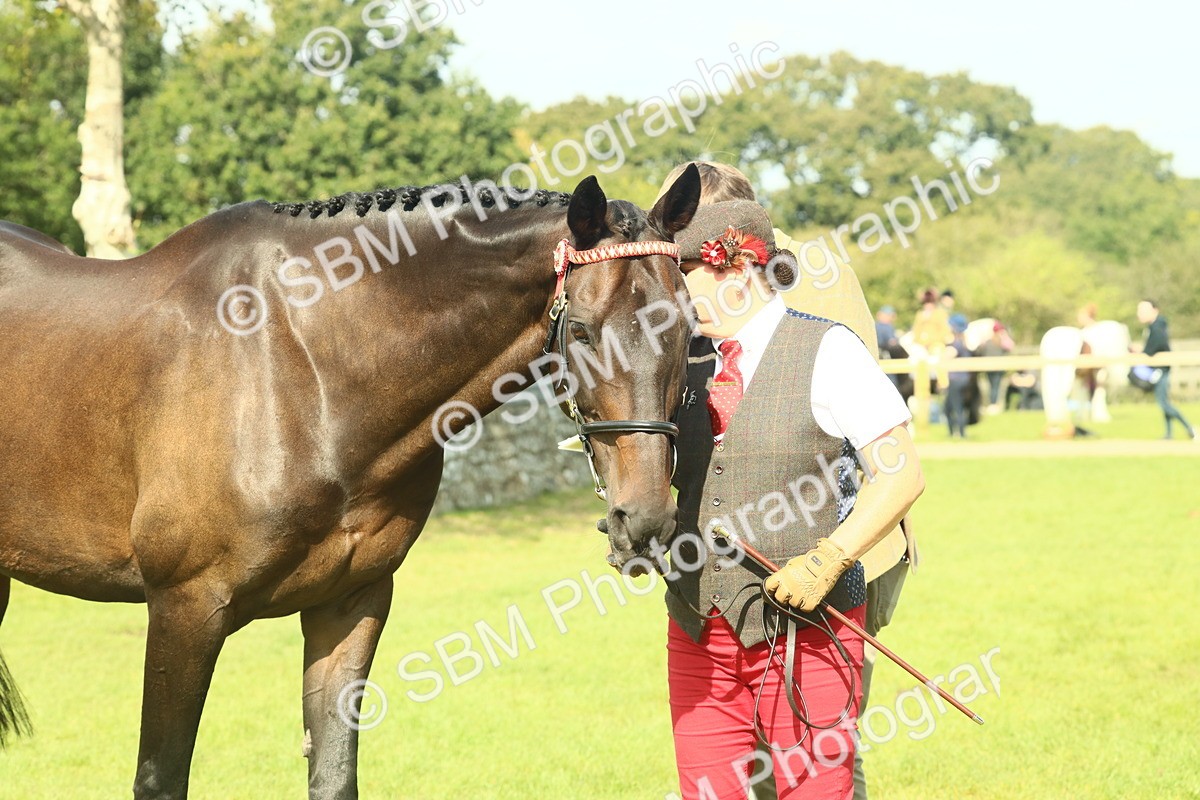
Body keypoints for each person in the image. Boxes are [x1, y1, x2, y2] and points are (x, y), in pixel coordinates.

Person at [655, 164, 916, 800]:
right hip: (697, 628)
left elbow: (901, 473)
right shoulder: (677, 361)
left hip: (812, 631)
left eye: (684, 274)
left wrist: (828, 559)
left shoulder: (829, 350)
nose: (672, 295)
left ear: (739, 269)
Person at [1137, 299, 1195, 440]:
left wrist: (1144, 352)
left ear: (1154, 310)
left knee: (1164, 403)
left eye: (1143, 310)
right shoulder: (1155, 326)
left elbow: (1156, 345)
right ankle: (1169, 434)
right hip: (1159, 368)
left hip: (1160, 369)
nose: (1140, 313)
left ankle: (1190, 428)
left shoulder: (1157, 327)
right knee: (1164, 401)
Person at [943, 313, 973, 438]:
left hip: (956, 380)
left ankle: (960, 434)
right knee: (949, 408)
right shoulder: (963, 342)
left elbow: (946, 356)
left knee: (956, 408)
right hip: (962, 379)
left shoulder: (957, 344)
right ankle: (955, 433)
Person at [977, 321, 1014, 414]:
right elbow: (1010, 347)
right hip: (998, 368)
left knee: (992, 386)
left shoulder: (989, 341)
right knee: (995, 387)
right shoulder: (1001, 342)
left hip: (989, 367)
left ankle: (992, 404)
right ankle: (993, 404)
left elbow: (980, 351)